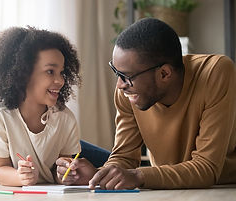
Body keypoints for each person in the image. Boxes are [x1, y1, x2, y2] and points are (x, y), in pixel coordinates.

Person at [56, 18, 236, 189]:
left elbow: (207, 168)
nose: (119, 85)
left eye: (126, 76)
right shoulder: (128, 92)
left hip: (222, 189)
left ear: (164, 74)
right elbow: (124, 157)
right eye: (116, 73)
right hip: (166, 191)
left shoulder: (215, 73)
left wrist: (138, 176)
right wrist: (98, 174)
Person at [0, 26, 82, 186]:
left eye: (62, 72)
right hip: (2, 148)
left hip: (48, 148)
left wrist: (64, 174)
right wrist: (20, 177)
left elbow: (57, 171)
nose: (60, 81)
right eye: (50, 71)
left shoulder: (65, 118)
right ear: (23, 73)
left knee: (108, 163)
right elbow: (0, 169)